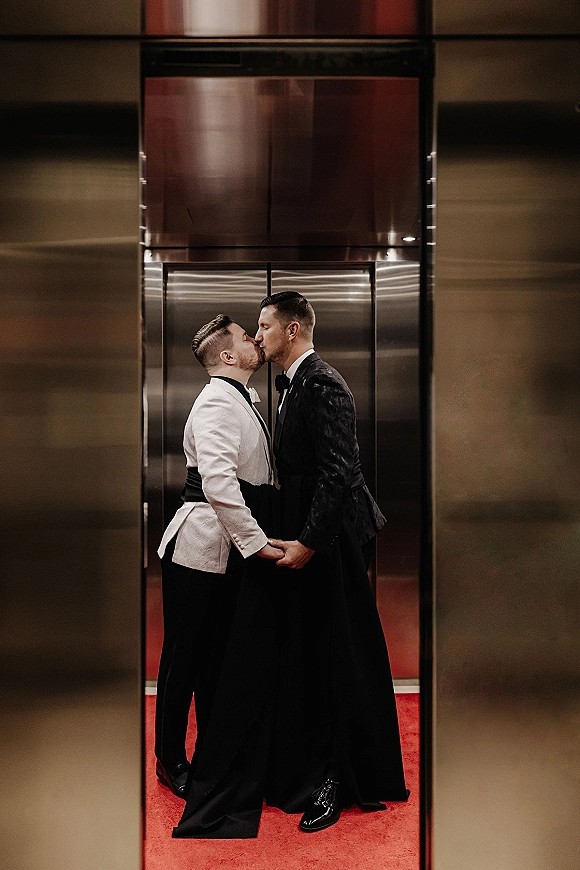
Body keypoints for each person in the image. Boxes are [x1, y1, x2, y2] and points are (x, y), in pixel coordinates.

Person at [255, 290, 409, 833]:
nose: (258, 337)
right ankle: (314, 765)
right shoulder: (294, 383)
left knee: (340, 656)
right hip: (314, 532)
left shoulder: (321, 382)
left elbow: (338, 473)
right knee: (316, 652)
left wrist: (308, 543)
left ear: (292, 330)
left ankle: (338, 777)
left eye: (265, 326)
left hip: (333, 540)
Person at [154, 314, 282, 804]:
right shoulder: (215, 404)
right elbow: (219, 484)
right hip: (198, 548)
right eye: (246, 337)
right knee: (183, 659)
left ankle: (211, 750)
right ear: (228, 356)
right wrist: (259, 544)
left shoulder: (242, 398)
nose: (254, 339)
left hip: (224, 551)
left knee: (212, 660)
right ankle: (169, 759)